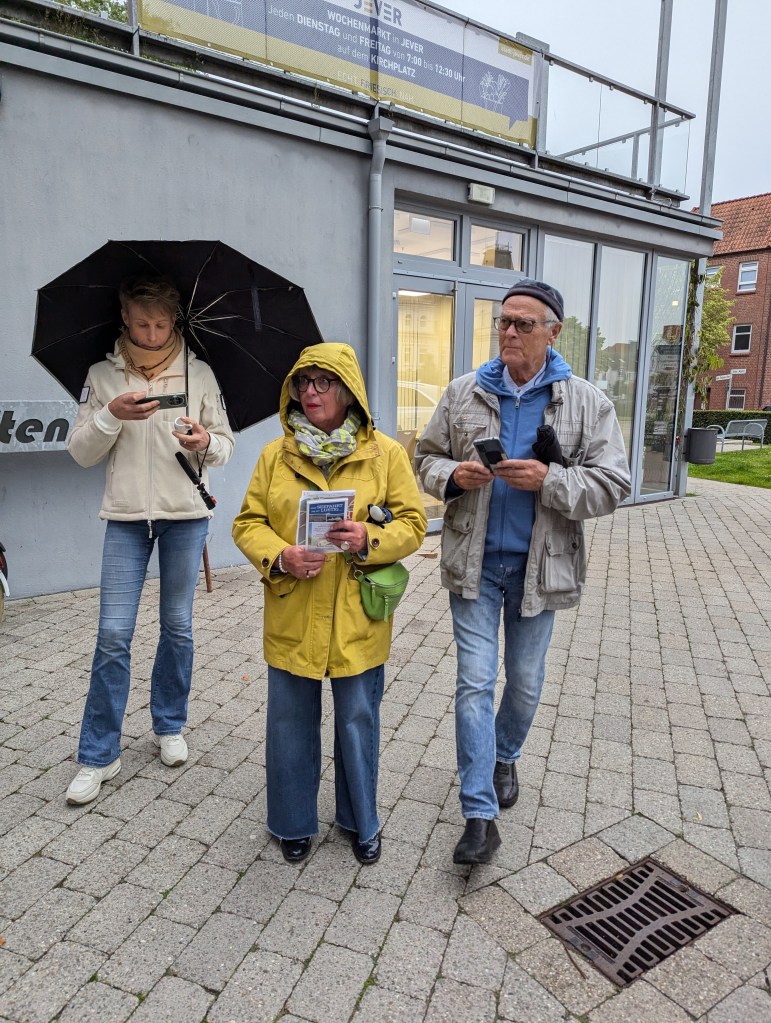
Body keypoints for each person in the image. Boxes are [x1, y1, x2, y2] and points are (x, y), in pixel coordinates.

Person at [414, 279, 631, 865]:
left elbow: (614, 484)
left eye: (523, 324)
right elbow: (425, 458)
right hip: (475, 564)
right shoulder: (464, 393)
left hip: (541, 568)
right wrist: (453, 477)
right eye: (503, 322)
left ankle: (504, 754)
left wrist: (549, 480)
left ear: (553, 333)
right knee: (474, 683)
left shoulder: (586, 402)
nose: (508, 332)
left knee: (526, 683)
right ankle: (479, 816)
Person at [232, 343, 426, 865]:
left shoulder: (385, 454)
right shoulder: (275, 455)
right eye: (303, 382)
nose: (311, 392)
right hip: (294, 608)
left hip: (357, 614)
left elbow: (413, 524)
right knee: (290, 722)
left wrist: (368, 538)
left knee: (357, 720)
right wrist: (281, 556)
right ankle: (292, 821)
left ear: (348, 390)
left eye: (323, 382)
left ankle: (360, 820)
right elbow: (247, 524)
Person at [65, 275, 234, 805]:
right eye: (142, 324)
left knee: (177, 627)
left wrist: (205, 442)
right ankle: (99, 754)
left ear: (174, 320)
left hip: (185, 516)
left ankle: (169, 725)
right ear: (125, 318)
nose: (153, 334)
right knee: (113, 634)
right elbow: (80, 451)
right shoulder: (101, 375)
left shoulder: (199, 373)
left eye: (162, 324)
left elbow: (224, 444)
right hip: (125, 518)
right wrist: (110, 417)